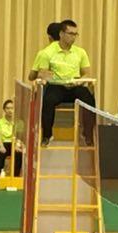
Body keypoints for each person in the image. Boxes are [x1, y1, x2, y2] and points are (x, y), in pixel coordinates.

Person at [32, 19, 96, 147]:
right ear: (61, 34)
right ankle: (47, 135)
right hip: (57, 86)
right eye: (70, 33)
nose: (73, 37)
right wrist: (46, 77)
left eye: (75, 34)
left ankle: (88, 135)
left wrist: (78, 81)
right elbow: (43, 73)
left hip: (75, 86)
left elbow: (87, 73)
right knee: (48, 100)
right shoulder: (48, 52)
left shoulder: (80, 52)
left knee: (89, 99)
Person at [0, 99, 23, 177]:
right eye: (8, 108)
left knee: (18, 153)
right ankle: (0, 176)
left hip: (13, 143)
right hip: (3, 143)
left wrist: (17, 145)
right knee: (1, 153)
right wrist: (1, 146)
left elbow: (19, 136)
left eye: (12, 108)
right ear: (4, 110)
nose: (10, 110)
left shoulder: (18, 122)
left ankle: (15, 176)